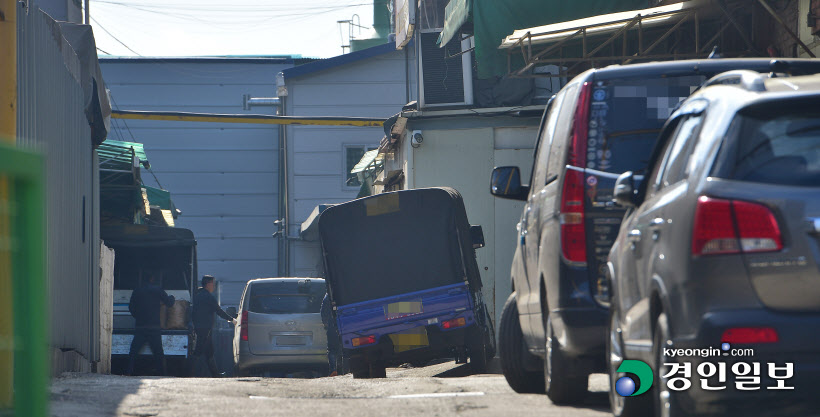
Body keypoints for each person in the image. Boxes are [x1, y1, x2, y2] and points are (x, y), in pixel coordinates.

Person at [127, 271, 175, 376]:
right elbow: (169, 303)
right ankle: (162, 374)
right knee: (158, 354)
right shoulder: (157, 290)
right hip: (154, 327)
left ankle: (128, 372)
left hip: (140, 326)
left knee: (133, 353)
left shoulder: (137, 291)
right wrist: (172, 297)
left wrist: (138, 316)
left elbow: (131, 307)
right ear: (152, 279)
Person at [191, 275, 236, 377]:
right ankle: (189, 373)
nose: (214, 286)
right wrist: (232, 320)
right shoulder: (208, 297)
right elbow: (219, 311)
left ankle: (216, 374)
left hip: (200, 327)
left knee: (209, 352)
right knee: (198, 351)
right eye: (213, 283)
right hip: (205, 328)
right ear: (209, 284)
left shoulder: (198, 295)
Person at [320, 293, 341, 376]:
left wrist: (325, 324)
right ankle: (346, 369)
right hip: (345, 324)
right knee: (344, 349)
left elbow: (323, 311)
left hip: (332, 326)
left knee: (332, 350)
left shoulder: (328, 296)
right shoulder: (344, 292)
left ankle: (333, 370)